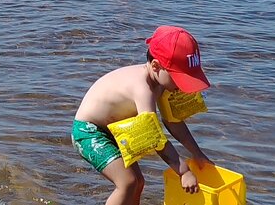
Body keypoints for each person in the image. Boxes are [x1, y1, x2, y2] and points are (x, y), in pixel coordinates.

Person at [73, 26, 213, 205]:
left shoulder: (162, 83)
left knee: (138, 182)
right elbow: (153, 138)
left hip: (114, 130)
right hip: (89, 131)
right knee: (127, 183)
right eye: (179, 78)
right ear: (156, 66)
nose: (181, 86)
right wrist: (183, 171)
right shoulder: (142, 89)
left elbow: (173, 122)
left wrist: (197, 154)